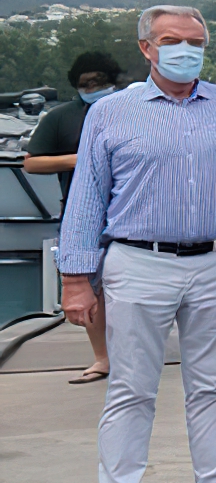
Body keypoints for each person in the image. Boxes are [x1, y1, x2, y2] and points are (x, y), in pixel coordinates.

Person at [58, 7, 216, 483]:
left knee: (212, 384)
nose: (185, 50)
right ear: (146, 47)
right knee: (131, 388)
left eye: (195, 41)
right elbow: (86, 198)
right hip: (138, 260)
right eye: (172, 40)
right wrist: (76, 278)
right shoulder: (110, 113)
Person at [26, 51, 123, 384]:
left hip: (131, 213)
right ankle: (102, 358)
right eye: (85, 83)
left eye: (99, 81)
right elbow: (32, 163)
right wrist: (79, 160)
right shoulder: (60, 117)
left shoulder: (132, 109)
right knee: (90, 285)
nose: (92, 87)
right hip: (82, 211)